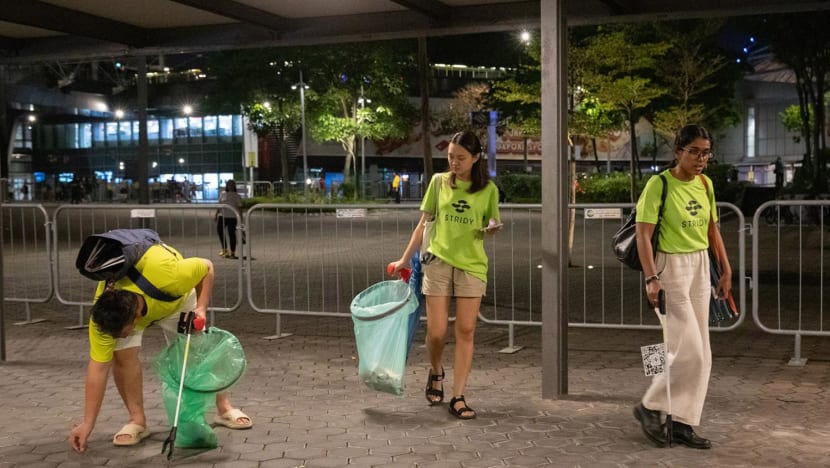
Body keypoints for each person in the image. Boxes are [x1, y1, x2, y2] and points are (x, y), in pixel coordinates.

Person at [68, 243, 252, 453]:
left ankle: (223, 408)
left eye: (123, 332)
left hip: (175, 300)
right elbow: (98, 369)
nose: (120, 336)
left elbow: (207, 267)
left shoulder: (171, 276)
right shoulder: (105, 317)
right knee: (122, 356)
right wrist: (87, 423)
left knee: (196, 352)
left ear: (137, 319)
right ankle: (137, 420)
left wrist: (201, 308)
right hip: (141, 301)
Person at [388, 130, 501, 420]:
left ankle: (459, 396)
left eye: (461, 158)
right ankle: (436, 370)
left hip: (472, 265)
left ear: (476, 159)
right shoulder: (438, 183)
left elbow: (493, 220)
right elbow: (422, 225)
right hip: (436, 261)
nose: (454, 162)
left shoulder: (488, 190)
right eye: (451, 156)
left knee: (466, 330)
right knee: (436, 332)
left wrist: (491, 228)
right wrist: (403, 259)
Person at [633, 124, 732, 450]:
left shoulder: (706, 184)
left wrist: (726, 268)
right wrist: (651, 277)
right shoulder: (659, 184)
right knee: (687, 349)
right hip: (669, 268)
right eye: (694, 151)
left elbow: (712, 229)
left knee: (702, 353)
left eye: (705, 152)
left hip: (700, 266)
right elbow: (643, 234)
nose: (701, 158)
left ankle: (683, 422)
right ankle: (650, 405)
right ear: (679, 151)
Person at [216, 180, 243, 259]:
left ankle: (232, 252)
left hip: (232, 217)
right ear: (226, 186)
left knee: (231, 234)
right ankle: (224, 249)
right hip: (222, 216)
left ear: (234, 186)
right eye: (229, 185)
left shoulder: (237, 196)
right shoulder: (223, 194)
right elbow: (220, 204)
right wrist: (216, 214)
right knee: (220, 231)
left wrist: (240, 217)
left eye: (232, 185)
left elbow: (240, 207)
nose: (230, 186)